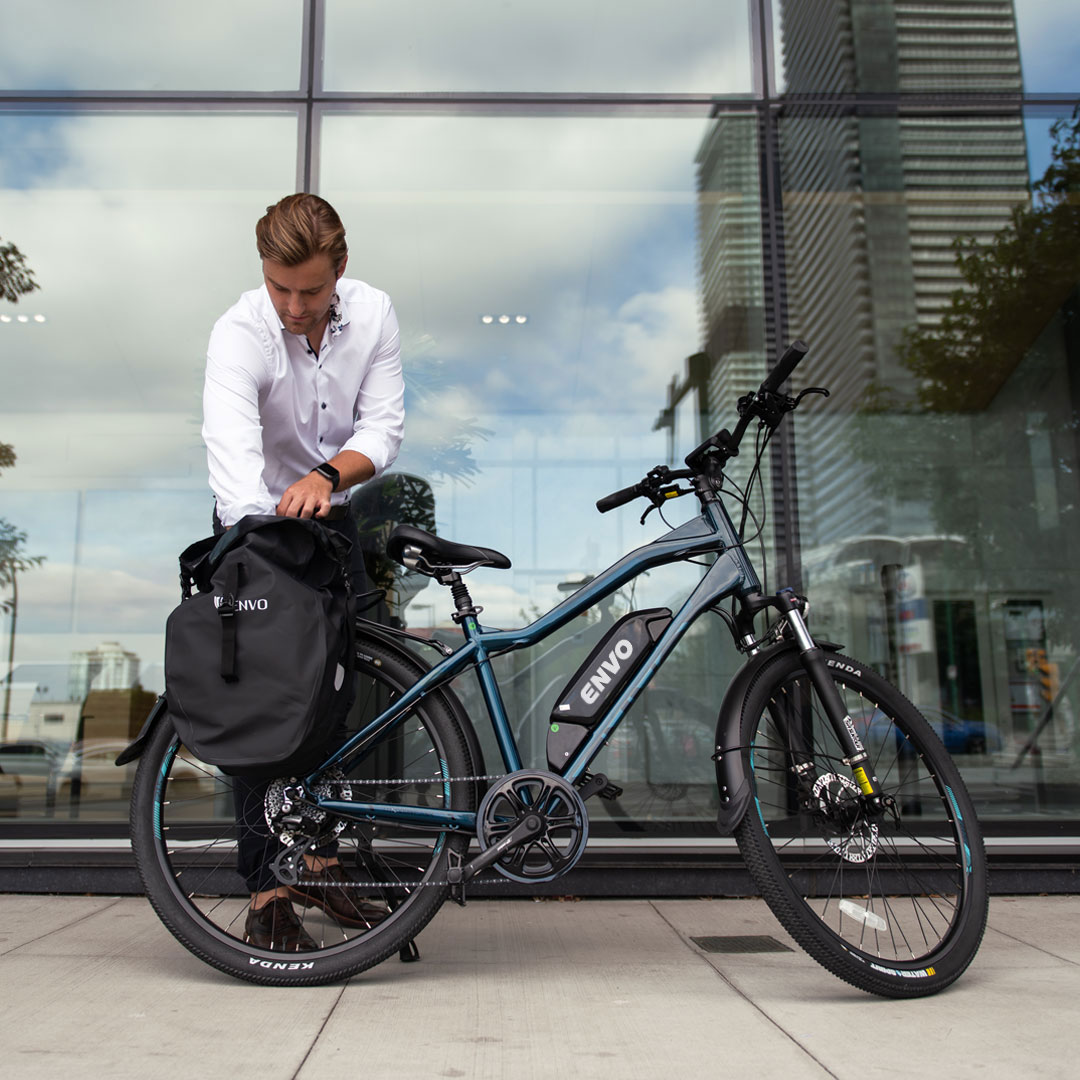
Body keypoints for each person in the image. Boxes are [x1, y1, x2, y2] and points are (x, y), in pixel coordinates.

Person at [202, 193, 404, 951]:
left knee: (339, 695)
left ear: (339, 271)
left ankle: (319, 860)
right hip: (251, 523)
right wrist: (272, 543)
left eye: (310, 291)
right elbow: (235, 466)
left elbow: (382, 429)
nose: (292, 306)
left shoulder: (375, 314)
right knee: (262, 704)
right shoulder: (239, 332)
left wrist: (324, 475)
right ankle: (269, 888)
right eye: (279, 287)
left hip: (330, 511)